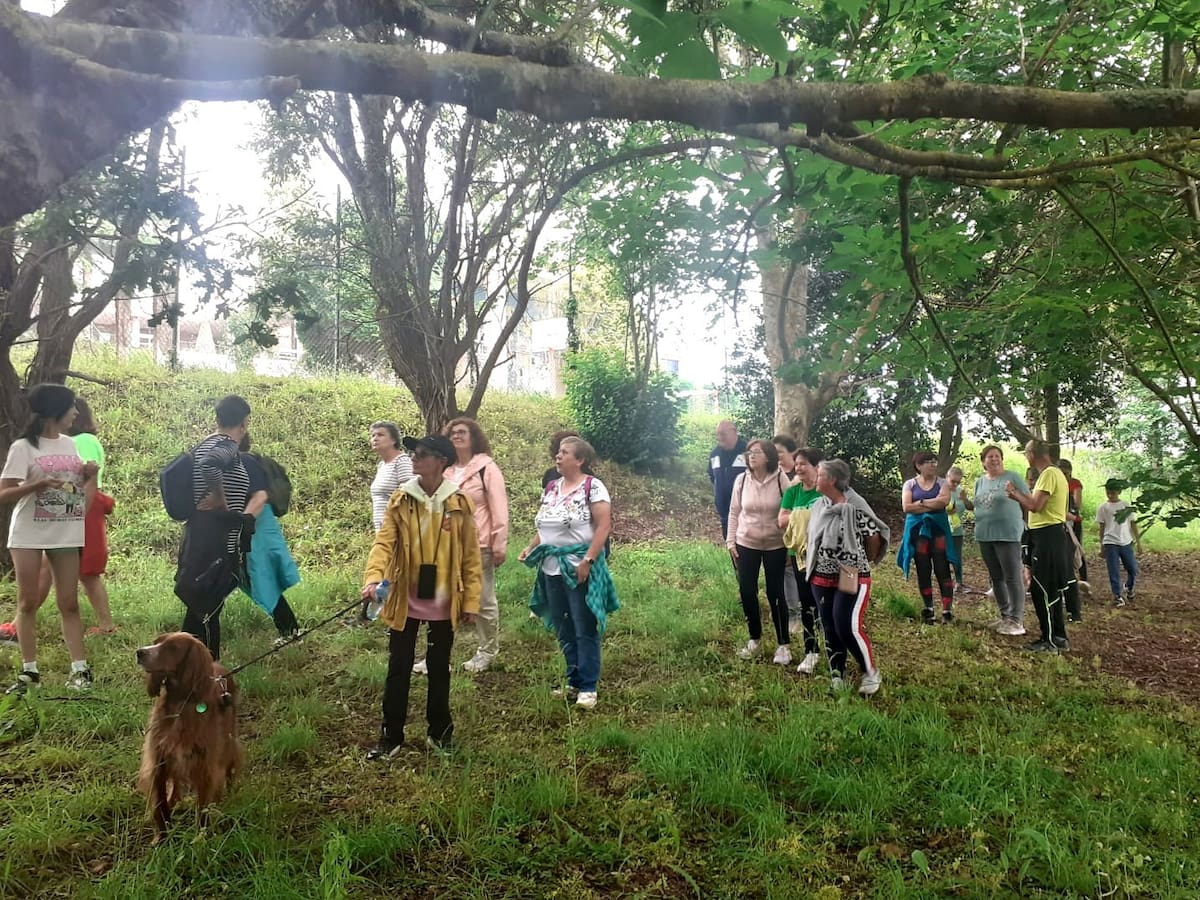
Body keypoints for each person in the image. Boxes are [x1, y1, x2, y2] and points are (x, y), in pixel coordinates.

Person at [361, 434, 481, 758]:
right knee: (398, 667)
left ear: (441, 461)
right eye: (414, 453)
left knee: (439, 668)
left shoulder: (459, 502)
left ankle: (440, 734)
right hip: (405, 599)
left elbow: (471, 557)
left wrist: (471, 601)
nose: (415, 459)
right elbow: (383, 543)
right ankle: (391, 737)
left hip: (445, 601)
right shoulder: (401, 499)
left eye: (423, 454)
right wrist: (374, 578)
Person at [1, 384, 99, 693]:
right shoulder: (23, 448)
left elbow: (72, 486)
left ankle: (80, 669)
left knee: (68, 603)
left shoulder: (70, 444)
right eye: (72, 407)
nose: (76, 413)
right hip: (29, 532)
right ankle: (29, 671)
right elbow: (4, 492)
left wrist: (87, 473)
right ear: (56, 410)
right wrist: (34, 486)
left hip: (66, 529)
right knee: (28, 601)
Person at [521, 436, 617, 710]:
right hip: (550, 567)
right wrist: (530, 547)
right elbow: (545, 526)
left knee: (582, 623)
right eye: (558, 452)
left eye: (565, 453)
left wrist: (588, 560)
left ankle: (588, 686)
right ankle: (573, 679)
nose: (558, 456)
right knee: (563, 624)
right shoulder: (552, 487)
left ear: (580, 460)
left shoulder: (593, 486)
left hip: (577, 567)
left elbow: (603, 527)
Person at [175, 394, 262, 661]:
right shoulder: (225, 446)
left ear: (217, 418)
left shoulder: (205, 443)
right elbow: (209, 465)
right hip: (216, 540)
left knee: (201, 609)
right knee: (208, 611)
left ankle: (183, 668)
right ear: (244, 422)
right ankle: (208, 673)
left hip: (202, 536)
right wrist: (221, 499)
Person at [805, 459, 890, 695]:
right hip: (821, 575)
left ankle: (870, 671)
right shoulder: (819, 504)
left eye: (819, 475)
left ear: (832, 480)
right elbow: (812, 536)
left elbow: (873, 536)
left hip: (852, 575)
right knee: (829, 626)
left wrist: (862, 561)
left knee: (846, 626)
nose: (815, 478)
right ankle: (837, 676)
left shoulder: (855, 505)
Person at [441, 416, 509, 674]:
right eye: (452, 433)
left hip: (478, 544)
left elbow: (498, 506)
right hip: (446, 545)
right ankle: (438, 653)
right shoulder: (444, 469)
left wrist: (498, 542)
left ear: (473, 437)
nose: (456, 436)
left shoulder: (486, 467)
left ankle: (487, 650)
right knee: (443, 599)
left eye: (462, 432)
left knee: (482, 599)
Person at [726, 439, 791, 663]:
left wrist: (791, 545)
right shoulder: (741, 480)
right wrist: (730, 541)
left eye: (757, 452)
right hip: (746, 543)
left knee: (775, 593)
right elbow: (733, 512)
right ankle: (754, 639)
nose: (752, 455)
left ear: (769, 457)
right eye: (750, 452)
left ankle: (783, 645)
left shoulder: (781, 479)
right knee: (747, 591)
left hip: (776, 545)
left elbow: (791, 511)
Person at [1006, 440, 1072, 652]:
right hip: (1045, 535)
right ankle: (1058, 637)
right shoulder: (1054, 474)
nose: (1026, 457)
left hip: (1048, 536)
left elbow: (1035, 506)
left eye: (1026, 453)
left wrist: (1015, 493)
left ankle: (1049, 639)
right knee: (1048, 587)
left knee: (1042, 588)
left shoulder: (1049, 474)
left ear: (1032, 454)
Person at [238, 436, 302, 646]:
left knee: (261, 575)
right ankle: (289, 629)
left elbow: (259, 496)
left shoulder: (244, 461)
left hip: (256, 524)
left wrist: (241, 525)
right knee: (255, 576)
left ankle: (290, 631)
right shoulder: (243, 461)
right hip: (255, 524)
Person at [973, 445, 1031, 635]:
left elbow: (1027, 501)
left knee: (1013, 576)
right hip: (985, 534)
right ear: (983, 462)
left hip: (1008, 533)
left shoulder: (1012, 477)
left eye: (997, 456)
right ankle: (1005, 616)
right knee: (996, 577)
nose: (994, 459)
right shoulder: (980, 482)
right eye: (990, 457)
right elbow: (977, 504)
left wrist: (1025, 525)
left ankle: (1017, 619)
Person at [897, 451, 959, 624]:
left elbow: (944, 502)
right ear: (918, 465)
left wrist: (921, 503)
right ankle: (928, 608)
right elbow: (906, 507)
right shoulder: (909, 484)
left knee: (942, 568)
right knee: (923, 568)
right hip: (918, 533)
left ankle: (947, 610)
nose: (932, 464)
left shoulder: (942, 483)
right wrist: (932, 504)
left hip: (938, 531)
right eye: (928, 462)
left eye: (934, 461)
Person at [779, 447, 825, 674]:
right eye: (796, 463)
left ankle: (834, 646)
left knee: (824, 603)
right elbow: (781, 520)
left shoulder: (825, 491)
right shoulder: (793, 491)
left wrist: (796, 517)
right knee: (806, 602)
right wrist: (805, 517)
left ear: (817, 466)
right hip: (798, 554)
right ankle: (811, 650)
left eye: (803, 463)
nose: (798, 467)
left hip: (823, 556)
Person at [1096, 478, 1141, 608]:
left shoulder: (1126, 506)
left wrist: (1138, 542)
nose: (1110, 495)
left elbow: (1133, 524)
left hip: (1126, 541)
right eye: (1108, 492)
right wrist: (1102, 545)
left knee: (1132, 569)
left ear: (1119, 492)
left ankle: (1129, 587)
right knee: (1113, 570)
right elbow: (1102, 527)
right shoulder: (1103, 507)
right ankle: (1117, 595)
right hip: (1110, 542)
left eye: (1113, 493)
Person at [1058, 459, 1091, 616]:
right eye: (1062, 473)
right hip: (1060, 521)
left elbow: (1077, 504)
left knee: (1076, 549)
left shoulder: (1074, 484)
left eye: (1066, 473)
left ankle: (1084, 579)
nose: (1064, 475)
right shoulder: (1056, 483)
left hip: (1072, 521)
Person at [369, 421, 413, 533]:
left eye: (380, 435)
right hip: (382, 529)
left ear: (393, 440)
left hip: (398, 529)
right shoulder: (382, 465)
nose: (375, 438)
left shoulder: (402, 461)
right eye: (373, 435)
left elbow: (409, 495)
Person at [708, 420, 747, 540]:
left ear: (734, 432)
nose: (720, 437)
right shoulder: (715, 454)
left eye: (723, 434)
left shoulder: (747, 451)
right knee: (732, 549)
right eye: (718, 434)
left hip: (746, 514)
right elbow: (712, 477)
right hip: (725, 514)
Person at [946, 465, 970, 592]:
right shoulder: (940, 490)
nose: (955, 484)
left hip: (957, 529)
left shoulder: (960, 491)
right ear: (947, 478)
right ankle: (945, 581)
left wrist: (965, 499)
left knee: (957, 557)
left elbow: (970, 507)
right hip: (942, 529)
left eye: (958, 482)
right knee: (942, 556)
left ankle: (959, 582)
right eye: (953, 481)